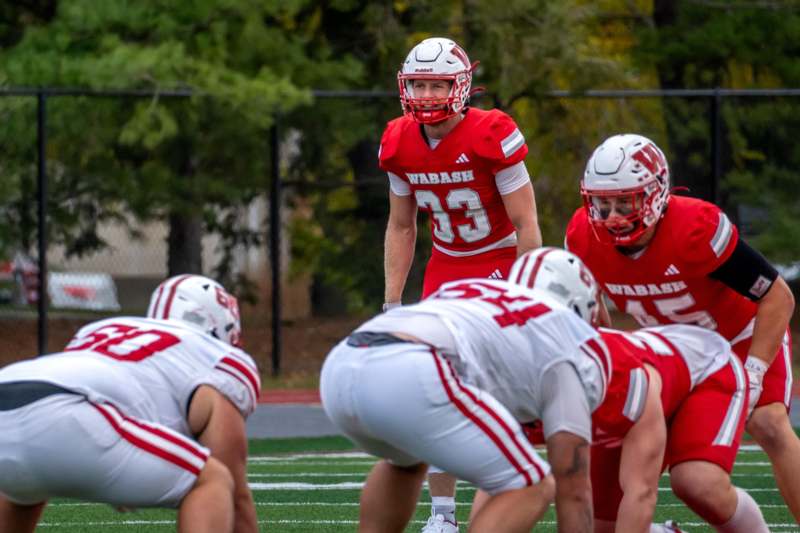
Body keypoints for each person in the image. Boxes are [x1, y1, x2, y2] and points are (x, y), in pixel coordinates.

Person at [565, 133, 800, 521]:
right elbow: (593, 310)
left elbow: (778, 298)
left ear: (656, 193)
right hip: (671, 356)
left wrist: (755, 371)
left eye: (625, 201)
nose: (613, 216)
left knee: (769, 423)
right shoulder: (583, 237)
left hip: (738, 338)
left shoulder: (695, 228)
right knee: (617, 473)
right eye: (603, 204)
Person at [321, 248, 627, 533]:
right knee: (532, 484)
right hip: (411, 367)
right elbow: (572, 486)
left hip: (344, 360)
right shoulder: (562, 334)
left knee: (406, 463)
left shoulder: (482, 295)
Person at [379, 35, 542, 532]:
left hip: (499, 262)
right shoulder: (399, 141)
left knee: (518, 390)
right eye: (419, 85)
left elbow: (526, 223)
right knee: (436, 387)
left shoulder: (492, 132)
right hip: (446, 267)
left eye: (437, 85)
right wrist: (392, 303)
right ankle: (443, 516)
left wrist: (526, 289)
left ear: (461, 86)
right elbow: (402, 227)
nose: (427, 95)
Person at [512, 247, 769, 532]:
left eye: (547, 321)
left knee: (698, 482)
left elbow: (641, 492)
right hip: (645, 381)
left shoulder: (621, 377)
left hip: (706, 370)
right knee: (601, 524)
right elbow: (501, 480)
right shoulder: (505, 370)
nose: (535, 333)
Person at [0, 274, 260, 533]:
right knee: (213, 480)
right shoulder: (215, 357)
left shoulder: (99, 330)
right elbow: (236, 500)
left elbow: (42, 429)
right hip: (69, 412)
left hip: (11, 389)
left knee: (22, 490)